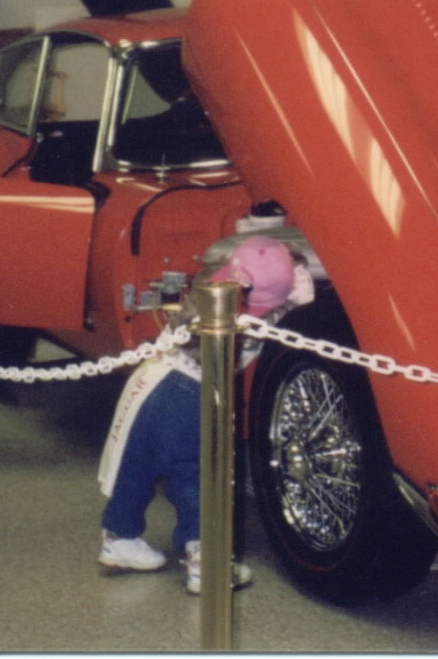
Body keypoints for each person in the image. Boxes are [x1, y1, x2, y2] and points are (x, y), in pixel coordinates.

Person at [96, 235, 312, 593]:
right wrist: (296, 304)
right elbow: (262, 323)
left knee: (137, 465)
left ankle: (119, 538)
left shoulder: (211, 284)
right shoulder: (244, 317)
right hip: (189, 394)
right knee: (196, 475)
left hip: (150, 380)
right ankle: (204, 563)